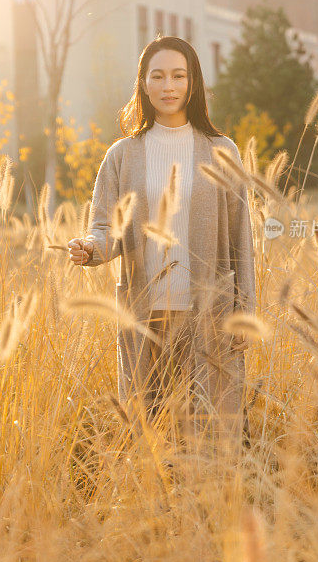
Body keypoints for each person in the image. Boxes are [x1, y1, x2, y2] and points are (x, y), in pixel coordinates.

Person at [68, 35, 256, 450]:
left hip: (210, 313)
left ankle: (211, 511)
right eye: (158, 76)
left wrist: (247, 311)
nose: (168, 86)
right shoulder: (122, 154)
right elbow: (106, 228)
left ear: (193, 83)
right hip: (146, 315)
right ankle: (156, 513)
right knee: (150, 434)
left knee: (212, 433)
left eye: (178, 75)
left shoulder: (221, 150)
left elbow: (243, 236)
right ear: (144, 83)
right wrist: (89, 248)